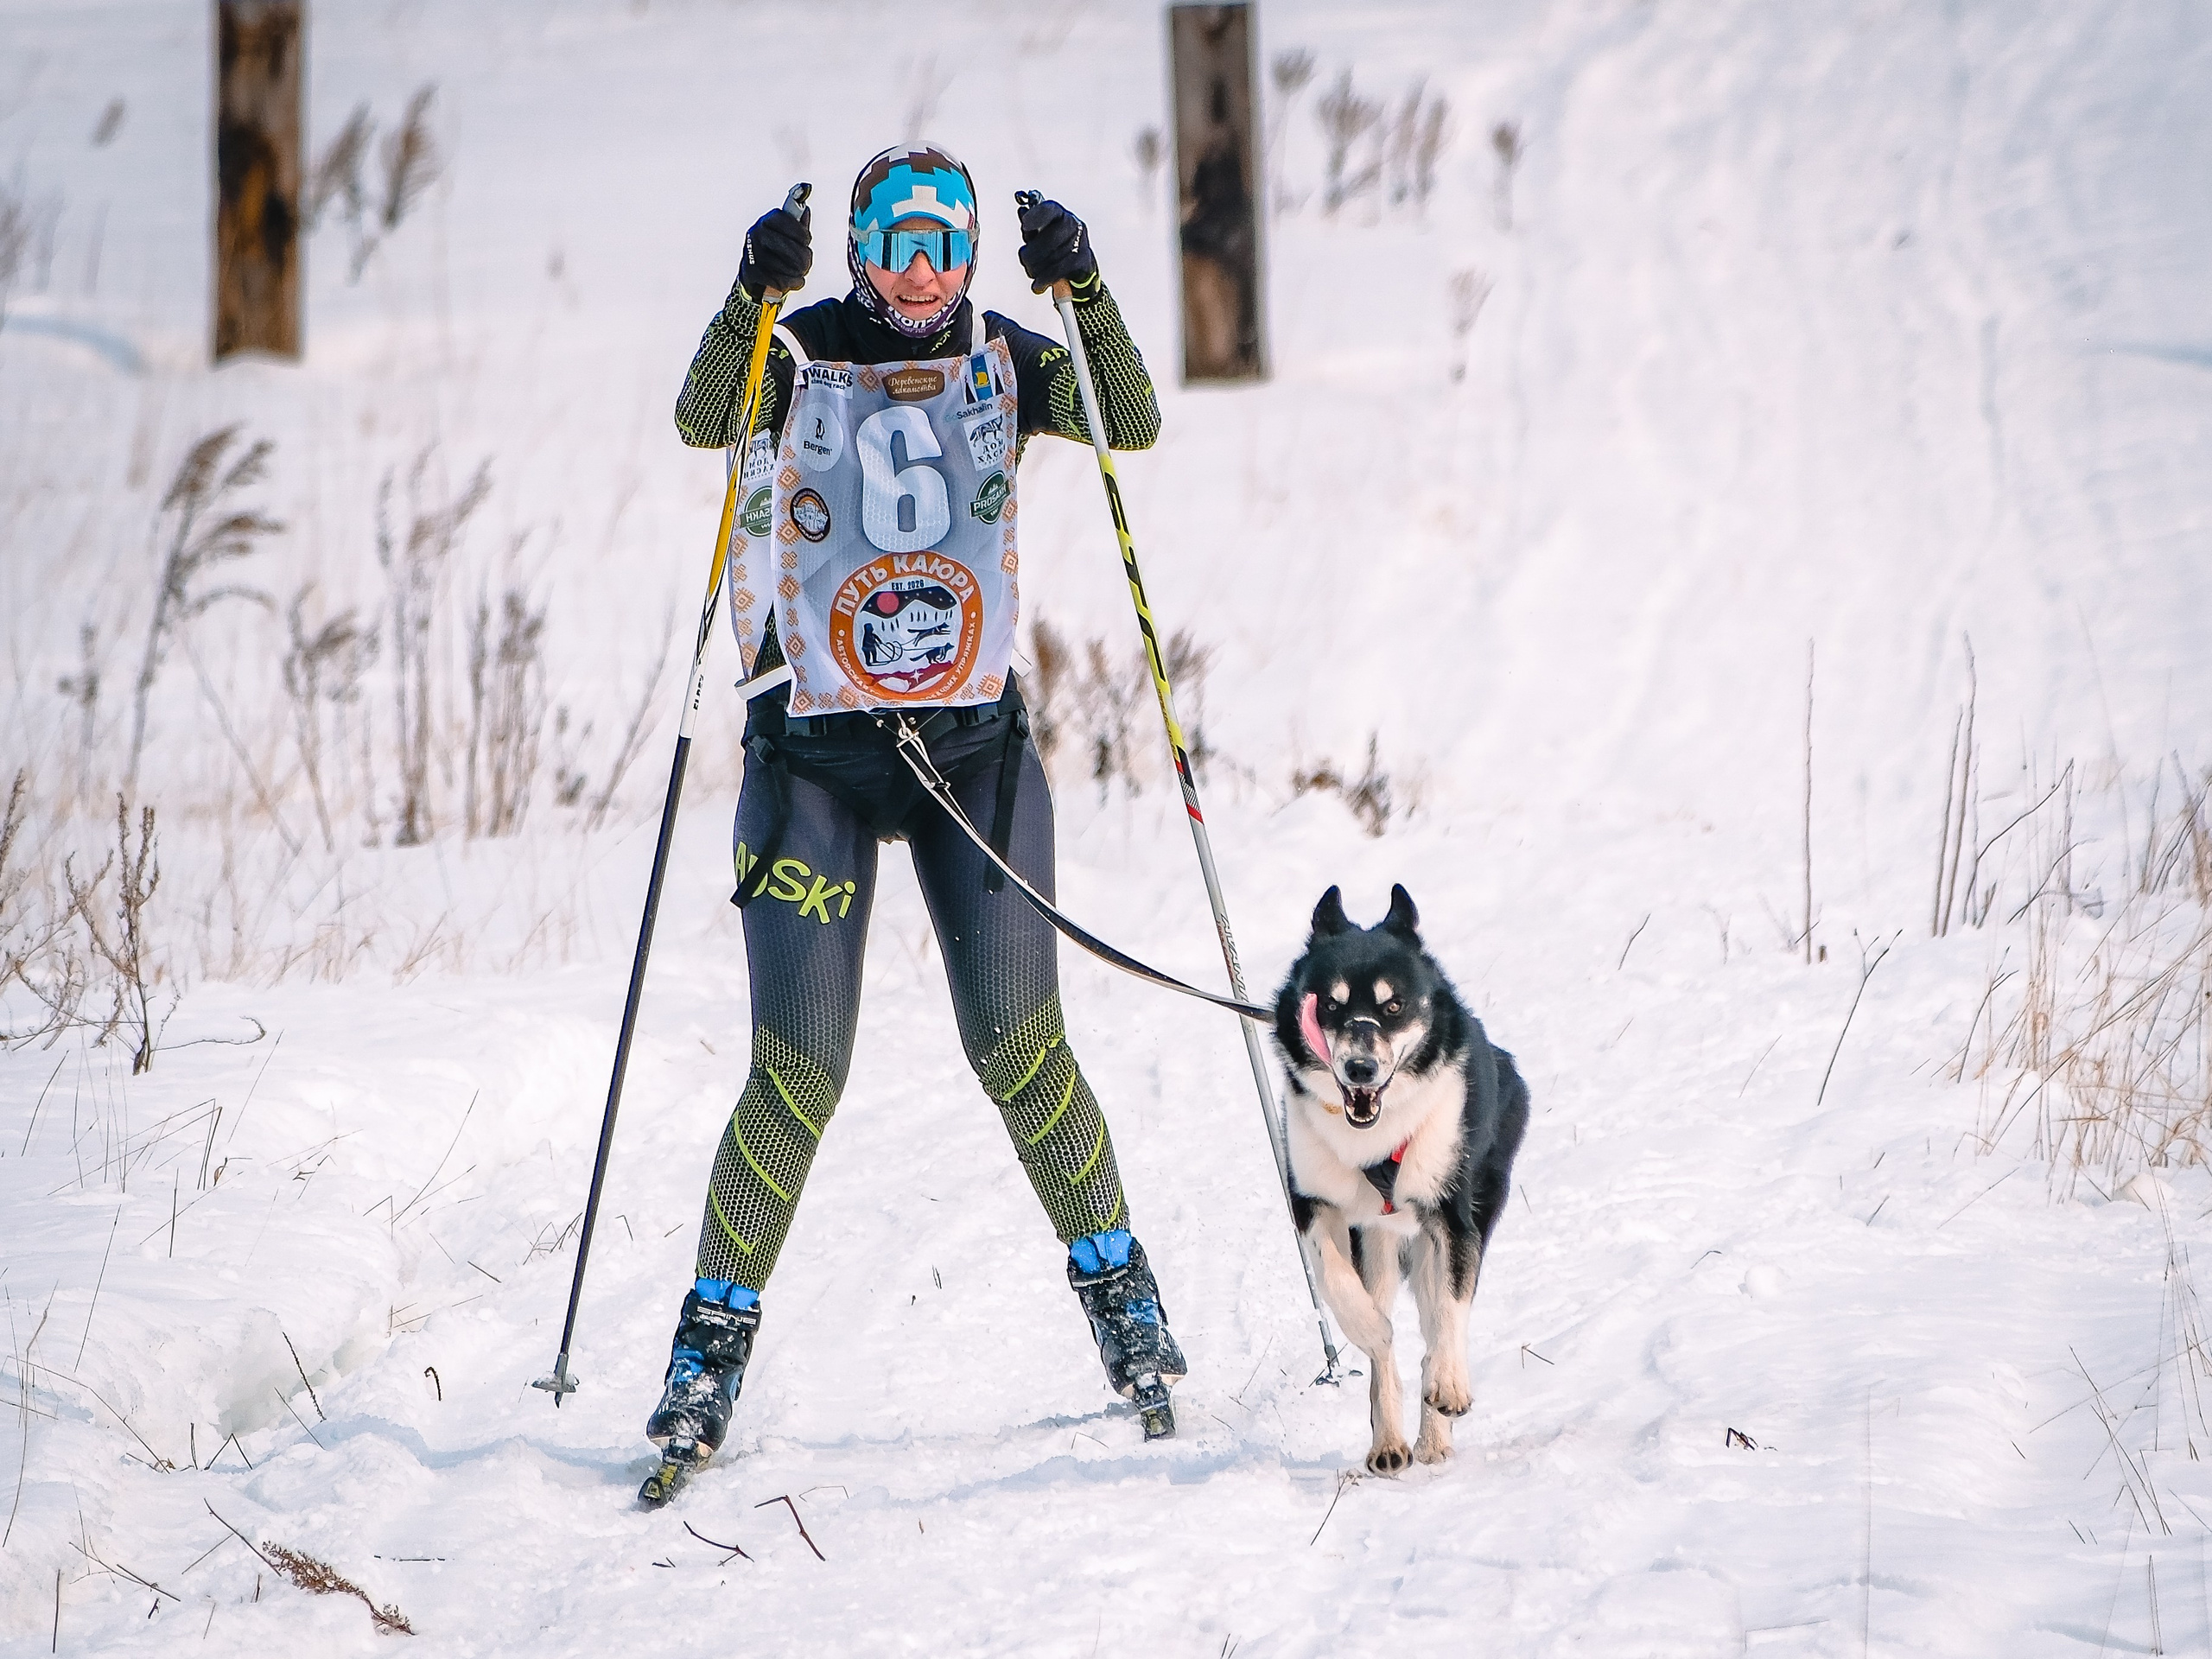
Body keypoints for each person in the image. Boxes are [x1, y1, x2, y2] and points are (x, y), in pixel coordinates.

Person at [646, 144, 1184, 1469]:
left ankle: (1126, 1307)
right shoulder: (797, 348)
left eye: (948, 244)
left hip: (973, 757)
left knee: (1018, 1045)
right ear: (859, 250)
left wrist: (1089, 291)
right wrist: (744, 295)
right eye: (898, 242)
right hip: (814, 765)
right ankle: (704, 1360)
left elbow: (1134, 421)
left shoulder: (1005, 354)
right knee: (798, 1071)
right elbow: (703, 418)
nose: (924, 271)